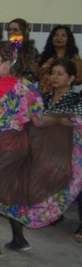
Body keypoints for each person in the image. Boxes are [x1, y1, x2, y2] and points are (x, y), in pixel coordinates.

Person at [0, 41, 82, 262]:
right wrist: (60, 119)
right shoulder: (29, 86)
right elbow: (38, 121)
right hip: (20, 146)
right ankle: (19, 239)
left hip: (1, 148)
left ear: (8, 63)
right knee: (13, 190)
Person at [39, 59, 82, 242]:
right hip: (49, 147)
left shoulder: (76, 99)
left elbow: (76, 122)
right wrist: (57, 119)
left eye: (60, 74)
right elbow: (37, 120)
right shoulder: (46, 97)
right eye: (52, 73)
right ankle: (51, 213)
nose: (54, 77)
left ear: (71, 78)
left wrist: (55, 120)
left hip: (72, 149)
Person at [37, 25, 82, 91]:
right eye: (56, 35)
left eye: (63, 36)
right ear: (52, 38)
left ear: (69, 39)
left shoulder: (74, 58)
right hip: (43, 94)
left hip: (63, 95)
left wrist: (63, 79)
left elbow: (79, 80)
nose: (59, 38)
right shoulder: (44, 55)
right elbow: (36, 76)